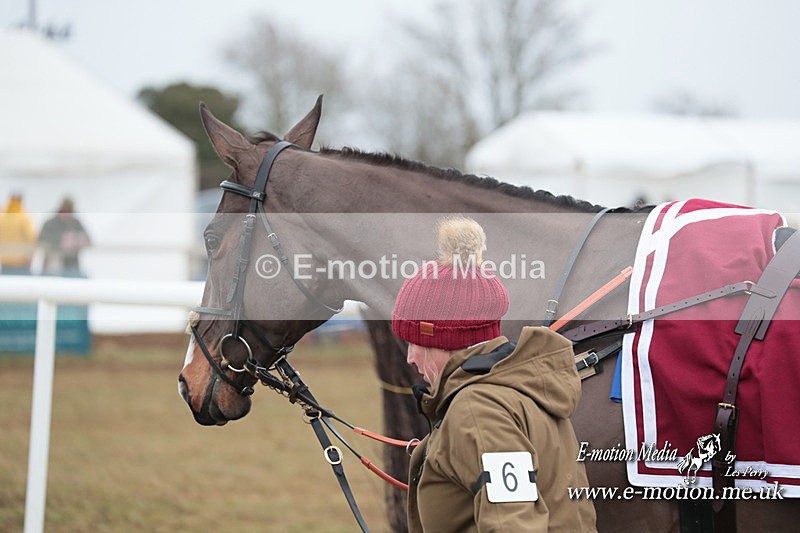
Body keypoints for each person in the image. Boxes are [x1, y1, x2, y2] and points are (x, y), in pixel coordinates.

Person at [392, 216, 596, 532]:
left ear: (447, 341)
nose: (411, 357)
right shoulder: (518, 388)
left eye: (415, 342)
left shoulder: (479, 410)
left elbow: (512, 524)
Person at [38, 197, 91, 275]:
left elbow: (88, 239)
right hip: (52, 265)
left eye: (69, 211)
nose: (67, 213)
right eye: (65, 210)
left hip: (72, 265)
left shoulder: (76, 223)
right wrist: (61, 240)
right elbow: (41, 239)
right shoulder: (50, 223)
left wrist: (79, 240)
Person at [0, 191, 37, 274]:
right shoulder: (24, 218)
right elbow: (31, 238)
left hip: (4, 260)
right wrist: (30, 256)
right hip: (21, 261)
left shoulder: (2, 217)